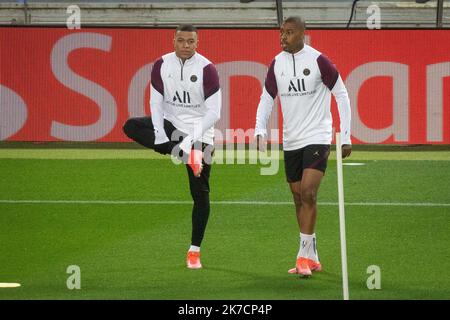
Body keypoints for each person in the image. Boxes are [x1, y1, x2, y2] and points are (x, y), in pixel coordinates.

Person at [254, 16, 352, 277]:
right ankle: (313, 256)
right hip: (292, 140)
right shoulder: (277, 64)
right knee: (298, 196)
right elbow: (266, 98)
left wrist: (346, 134)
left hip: (317, 135)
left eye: (289, 32)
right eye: (281, 32)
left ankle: (302, 257)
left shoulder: (318, 60)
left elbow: (341, 94)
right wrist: (259, 129)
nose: (283, 37)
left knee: (308, 192)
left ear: (302, 34)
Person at [123, 24, 221, 269]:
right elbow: (155, 103)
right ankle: (185, 155)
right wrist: (159, 136)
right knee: (131, 126)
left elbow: (214, 114)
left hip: (200, 134)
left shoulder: (207, 69)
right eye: (181, 40)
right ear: (173, 41)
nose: (186, 45)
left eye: (190, 41)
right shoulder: (162, 64)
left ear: (197, 43)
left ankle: (194, 251)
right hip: (172, 126)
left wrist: (189, 143)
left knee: (200, 195)